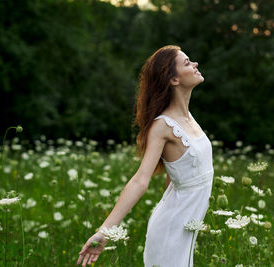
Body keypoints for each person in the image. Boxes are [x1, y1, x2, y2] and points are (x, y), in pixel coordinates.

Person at [77, 45, 214, 267]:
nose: (195, 64)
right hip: (171, 230)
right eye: (187, 63)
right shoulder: (163, 126)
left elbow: (175, 173)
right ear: (174, 80)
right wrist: (104, 231)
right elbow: (140, 181)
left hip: (187, 228)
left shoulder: (188, 116)